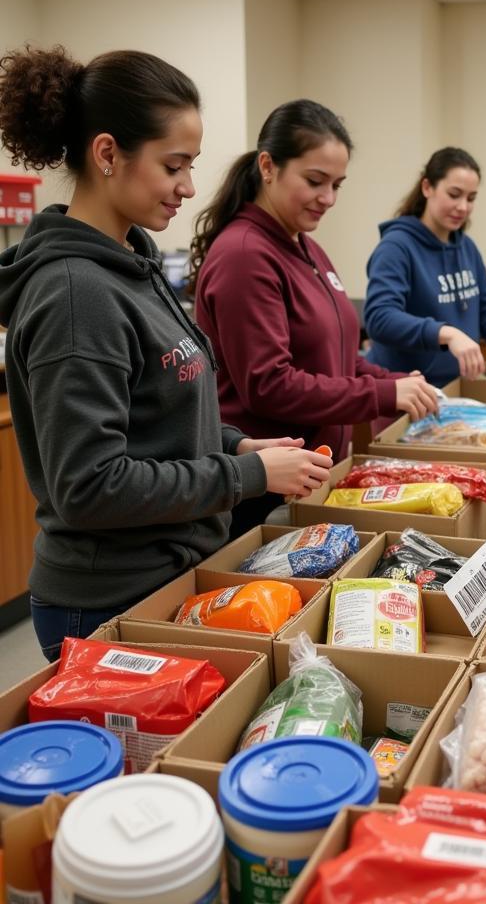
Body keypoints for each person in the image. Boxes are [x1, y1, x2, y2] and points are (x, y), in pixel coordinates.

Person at [0, 47, 331, 658]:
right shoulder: (77, 294)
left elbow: (156, 411)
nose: (188, 187)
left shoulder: (135, 262)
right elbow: (91, 486)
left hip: (167, 570)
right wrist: (247, 475)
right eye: (174, 165)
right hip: (109, 595)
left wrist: (236, 444)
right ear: (107, 155)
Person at [190, 100, 437, 538]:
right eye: (315, 181)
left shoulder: (305, 246)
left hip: (308, 478)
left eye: (337, 185)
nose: (328, 199)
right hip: (260, 493)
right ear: (268, 166)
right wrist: (382, 393)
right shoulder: (246, 255)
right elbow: (270, 385)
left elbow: (337, 353)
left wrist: (397, 382)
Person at [364, 147, 486, 391]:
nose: (463, 207)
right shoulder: (397, 247)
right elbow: (379, 318)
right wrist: (446, 333)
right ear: (427, 187)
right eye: (454, 194)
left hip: (452, 389)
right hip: (407, 391)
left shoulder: (466, 247)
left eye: (471, 198)